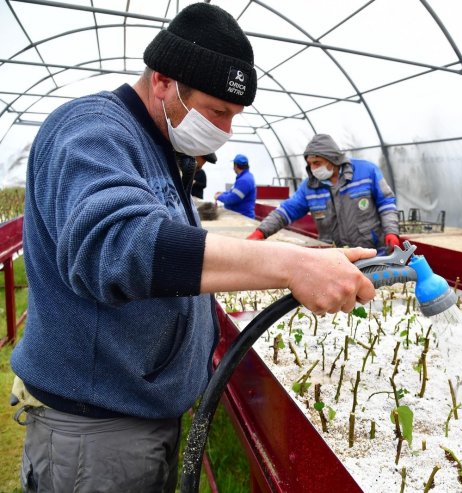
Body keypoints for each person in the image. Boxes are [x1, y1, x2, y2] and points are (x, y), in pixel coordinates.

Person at [9, 4, 375, 492]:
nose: (224, 130)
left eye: (235, 116)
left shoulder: (161, 150)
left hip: (139, 418)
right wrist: (293, 265)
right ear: (163, 81)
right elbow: (115, 244)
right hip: (96, 433)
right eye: (217, 111)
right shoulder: (92, 129)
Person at [247, 134, 402, 252]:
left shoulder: (367, 171)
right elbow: (286, 211)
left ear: (333, 159)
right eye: (310, 164)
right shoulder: (309, 187)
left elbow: (386, 204)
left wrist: (391, 232)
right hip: (336, 255)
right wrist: (261, 232)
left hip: (373, 252)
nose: (314, 169)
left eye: (317, 163)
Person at [214, 153, 256, 218]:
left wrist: (219, 197)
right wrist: (223, 193)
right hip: (240, 215)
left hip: (243, 217)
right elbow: (233, 192)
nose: (233, 168)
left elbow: (233, 198)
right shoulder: (245, 177)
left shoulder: (244, 180)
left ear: (236, 166)